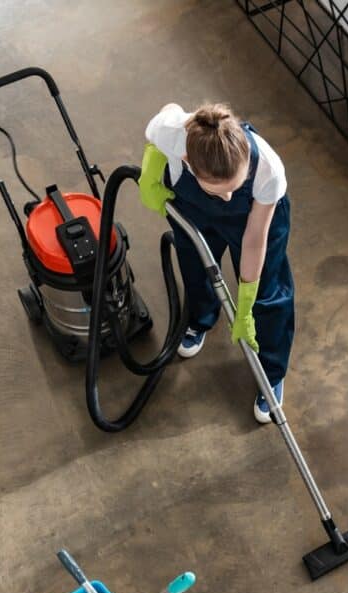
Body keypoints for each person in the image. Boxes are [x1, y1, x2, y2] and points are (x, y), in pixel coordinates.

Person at [139, 102, 294, 423]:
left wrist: (246, 303)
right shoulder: (172, 134)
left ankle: (271, 371)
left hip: (253, 219)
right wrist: (151, 172)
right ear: (187, 161)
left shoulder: (268, 171)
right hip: (193, 205)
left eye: (233, 188)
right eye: (219, 190)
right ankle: (201, 318)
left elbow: (254, 239)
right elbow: (157, 128)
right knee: (195, 263)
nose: (226, 197)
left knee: (267, 289)